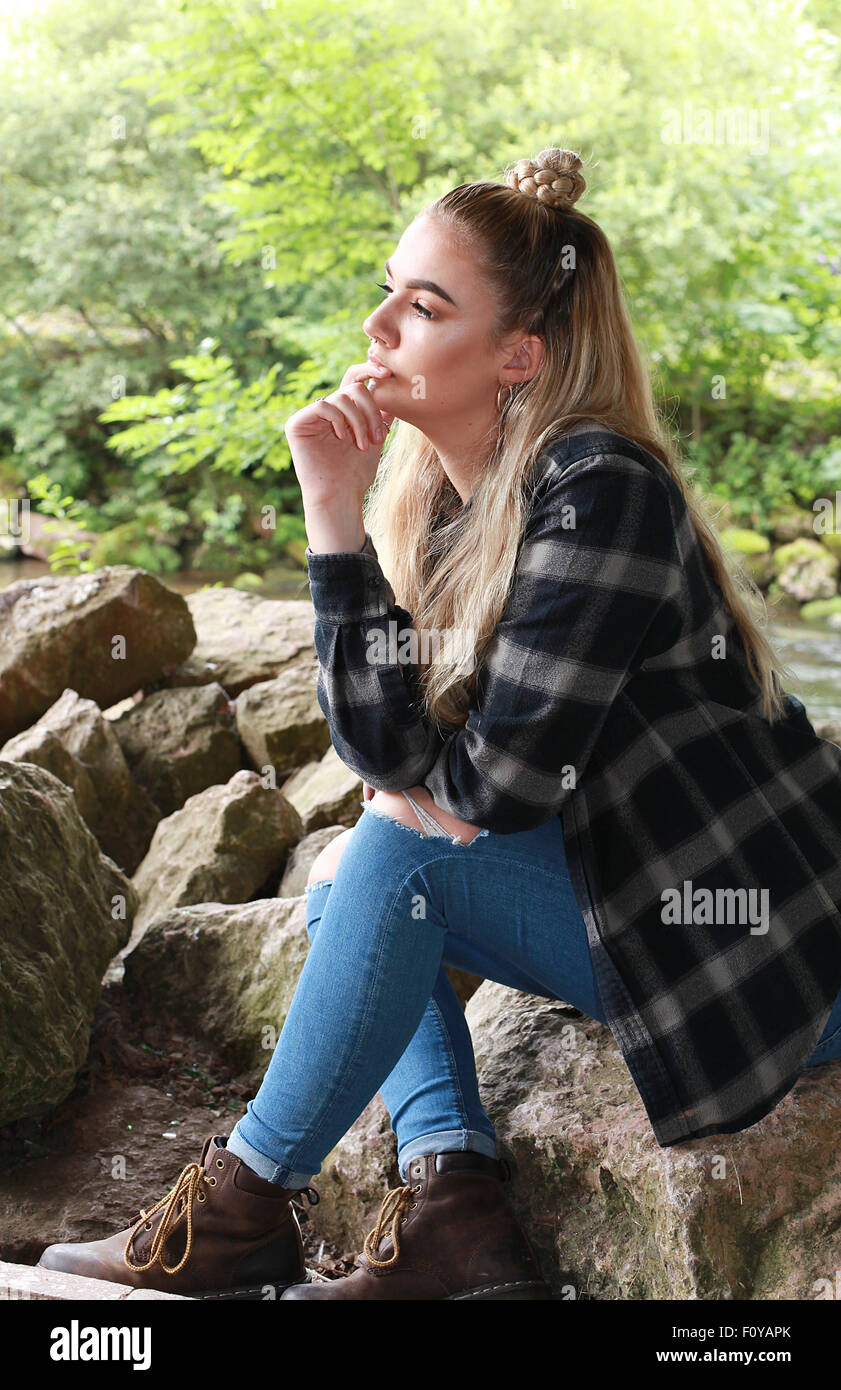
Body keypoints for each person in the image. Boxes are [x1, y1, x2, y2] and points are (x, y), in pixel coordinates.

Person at [39, 147, 841, 1302]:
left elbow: (487, 790)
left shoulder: (600, 487)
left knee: (395, 858)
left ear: (518, 355)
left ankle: (246, 1198)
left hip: (767, 958)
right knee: (349, 872)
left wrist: (422, 803)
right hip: (636, 896)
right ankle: (453, 1202)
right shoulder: (452, 502)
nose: (377, 326)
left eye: (423, 304)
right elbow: (392, 753)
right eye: (386, 288)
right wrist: (332, 517)